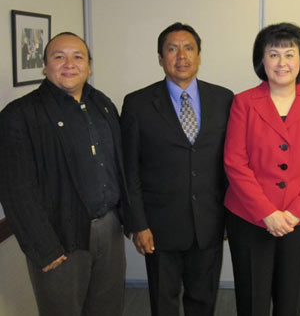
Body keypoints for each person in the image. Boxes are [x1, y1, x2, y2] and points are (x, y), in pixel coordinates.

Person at [0, 32, 128, 316]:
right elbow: (15, 188)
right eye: (59, 57)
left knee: (107, 308)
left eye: (78, 57)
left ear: (89, 66)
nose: (69, 63)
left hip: (108, 229)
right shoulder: (19, 115)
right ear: (45, 66)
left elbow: (118, 164)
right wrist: (44, 248)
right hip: (60, 238)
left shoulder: (102, 104)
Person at [224, 22, 300, 316]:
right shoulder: (244, 103)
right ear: (261, 60)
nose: (282, 62)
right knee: (253, 301)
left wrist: (294, 213)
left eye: (290, 54)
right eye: (273, 54)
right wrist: (267, 212)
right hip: (250, 219)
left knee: (293, 301)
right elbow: (235, 162)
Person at [121, 22, 233, 316]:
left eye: (188, 48)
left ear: (199, 55)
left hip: (209, 223)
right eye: (172, 49)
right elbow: (129, 169)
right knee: (163, 302)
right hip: (158, 226)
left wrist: (229, 217)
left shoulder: (224, 99)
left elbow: (231, 163)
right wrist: (138, 224)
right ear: (160, 57)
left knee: (203, 300)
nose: (181, 55)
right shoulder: (137, 103)